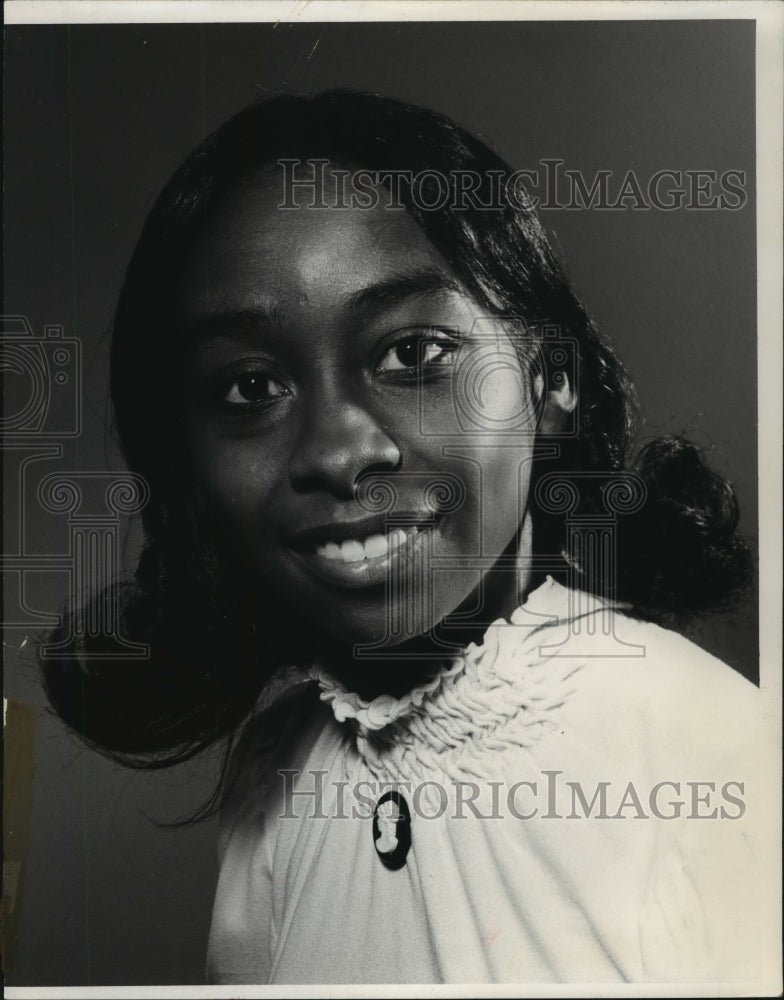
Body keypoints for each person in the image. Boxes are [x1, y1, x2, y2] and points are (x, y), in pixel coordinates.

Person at [40, 91, 771, 985]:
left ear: (551, 381)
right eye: (250, 387)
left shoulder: (708, 753)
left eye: (415, 354)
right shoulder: (273, 766)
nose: (341, 452)